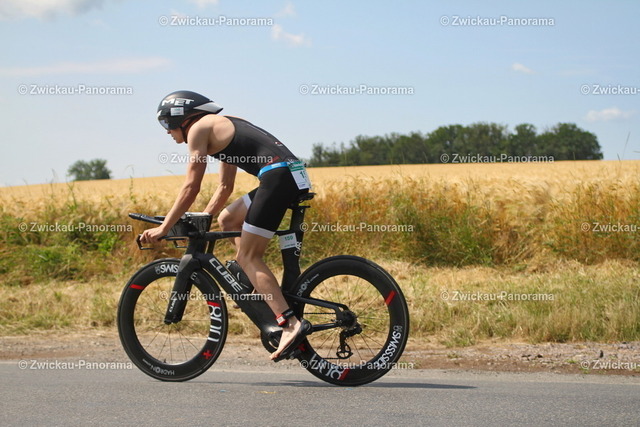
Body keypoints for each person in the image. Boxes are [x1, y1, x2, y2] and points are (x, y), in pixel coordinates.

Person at [140, 90, 312, 361]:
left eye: (166, 124)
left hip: (278, 177)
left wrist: (164, 228)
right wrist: (205, 216)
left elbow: (191, 186)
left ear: (180, 118)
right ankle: (253, 281)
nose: (167, 132)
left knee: (249, 256)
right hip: (291, 174)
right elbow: (224, 187)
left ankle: (290, 324)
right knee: (228, 219)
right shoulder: (221, 124)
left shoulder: (198, 130)